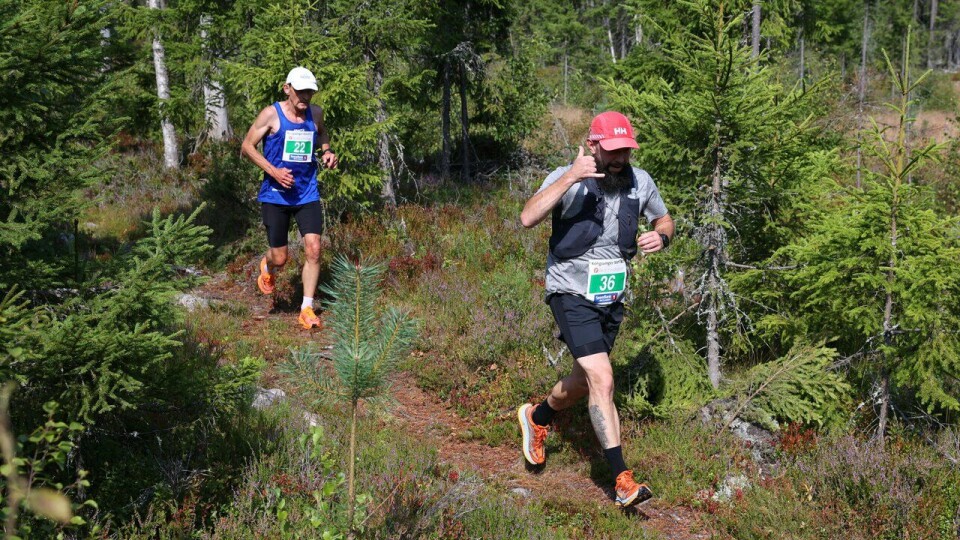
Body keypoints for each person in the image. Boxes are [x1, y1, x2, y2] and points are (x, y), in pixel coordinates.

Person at [517, 111, 674, 507]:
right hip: (570, 292)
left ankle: (537, 417)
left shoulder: (640, 181)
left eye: (626, 150)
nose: (620, 158)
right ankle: (622, 480)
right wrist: (571, 176)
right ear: (593, 145)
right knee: (602, 379)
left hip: (611, 297)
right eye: (612, 150)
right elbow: (528, 217)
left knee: (583, 381)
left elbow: (665, 219)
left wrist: (661, 237)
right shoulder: (567, 176)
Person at [241, 67, 338, 329]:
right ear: (287, 89)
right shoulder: (271, 114)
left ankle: (306, 308)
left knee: (314, 248)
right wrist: (273, 171)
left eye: (310, 92)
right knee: (280, 258)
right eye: (301, 91)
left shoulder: (315, 113)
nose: (305, 96)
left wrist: (327, 151)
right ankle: (268, 265)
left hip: (306, 192)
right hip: (276, 195)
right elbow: (247, 146)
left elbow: (322, 133)